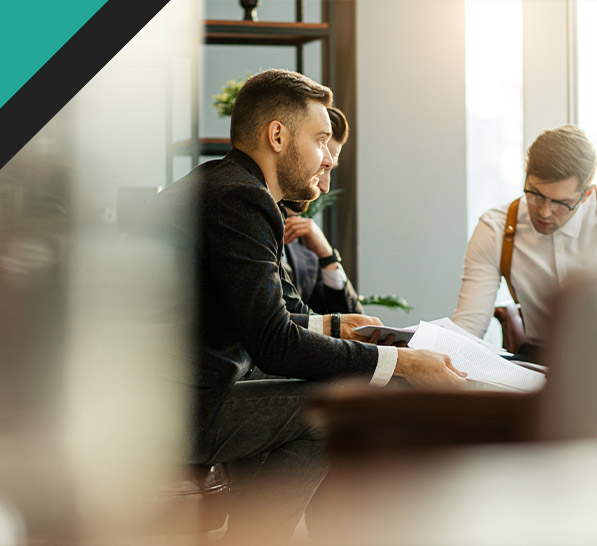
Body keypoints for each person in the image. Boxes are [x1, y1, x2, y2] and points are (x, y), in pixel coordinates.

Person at [139, 69, 466, 544]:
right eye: (321, 140)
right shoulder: (240, 199)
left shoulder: (221, 182)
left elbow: (252, 318)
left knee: (326, 385)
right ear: (277, 135)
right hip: (171, 412)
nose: (329, 156)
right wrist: (405, 361)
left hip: (165, 397)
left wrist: (334, 324)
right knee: (343, 405)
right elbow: (272, 343)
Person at [452, 124, 597, 361]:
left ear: (586, 194)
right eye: (536, 194)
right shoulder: (496, 227)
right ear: (527, 171)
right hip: (537, 362)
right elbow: (468, 327)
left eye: (562, 203)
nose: (545, 212)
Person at [280, 106, 363, 315]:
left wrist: (328, 257)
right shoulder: (244, 221)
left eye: (330, 169)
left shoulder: (305, 246)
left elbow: (351, 321)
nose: (325, 187)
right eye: (322, 167)